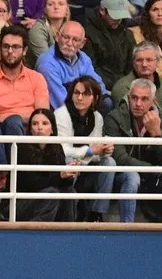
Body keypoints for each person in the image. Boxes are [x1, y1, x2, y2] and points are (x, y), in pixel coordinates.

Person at [104, 76, 162, 223]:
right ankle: (126, 231)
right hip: (123, 176)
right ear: (128, 97)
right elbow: (120, 159)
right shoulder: (115, 117)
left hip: (152, 177)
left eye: (144, 99)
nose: (138, 104)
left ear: (153, 101)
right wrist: (157, 169)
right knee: (132, 176)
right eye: (134, 98)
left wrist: (156, 134)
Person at [0, 24, 50, 175]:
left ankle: (16, 175)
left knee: (13, 122)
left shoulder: (37, 78)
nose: (10, 52)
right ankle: (4, 175)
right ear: (0, 48)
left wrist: (9, 119)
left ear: (25, 50)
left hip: (25, 135)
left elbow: (42, 116)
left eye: (15, 47)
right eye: (6, 47)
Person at [53, 75, 124, 222]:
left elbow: (95, 155)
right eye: (76, 93)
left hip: (85, 168)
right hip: (64, 169)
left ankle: (96, 213)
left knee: (109, 162)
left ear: (95, 97)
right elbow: (62, 151)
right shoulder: (61, 114)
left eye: (85, 94)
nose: (80, 98)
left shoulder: (97, 117)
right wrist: (90, 151)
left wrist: (103, 151)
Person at [12, 107, 77, 221]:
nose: (40, 127)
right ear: (30, 129)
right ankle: (38, 233)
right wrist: (60, 175)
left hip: (47, 200)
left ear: (52, 129)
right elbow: (31, 184)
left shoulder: (56, 147)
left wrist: (70, 173)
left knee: (69, 192)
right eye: (35, 124)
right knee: (51, 193)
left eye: (45, 123)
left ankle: (67, 232)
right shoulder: (22, 148)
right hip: (20, 203)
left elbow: (62, 183)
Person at [35, 20, 100, 110]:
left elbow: (98, 86)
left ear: (82, 43)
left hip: (83, 107)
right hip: (61, 115)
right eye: (66, 37)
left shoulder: (83, 58)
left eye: (75, 40)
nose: (69, 43)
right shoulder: (47, 63)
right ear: (57, 37)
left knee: (107, 102)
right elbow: (61, 102)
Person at [113, 41, 162, 117]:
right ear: (133, 63)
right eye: (139, 60)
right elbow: (127, 119)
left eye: (149, 60)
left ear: (158, 62)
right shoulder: (122, 87)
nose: (144, 64)